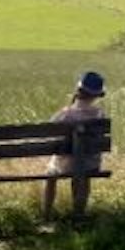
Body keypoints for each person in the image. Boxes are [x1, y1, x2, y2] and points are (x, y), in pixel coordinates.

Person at [42, 70, 106, 219]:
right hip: (91, 164)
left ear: (79, 90)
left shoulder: (66, 114)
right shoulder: (100, 115)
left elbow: (50, 131)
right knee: (83, 174)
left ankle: (46, 213)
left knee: (50, 174)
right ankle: (79, 212)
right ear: (97, 95)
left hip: (65, 165)